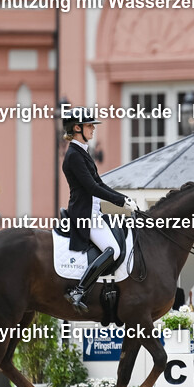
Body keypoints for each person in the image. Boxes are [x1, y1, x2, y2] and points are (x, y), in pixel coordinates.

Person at [60, 107, 138, 313]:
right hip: (84, 215)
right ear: (77, 128)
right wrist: (121, 202)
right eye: (89, 125)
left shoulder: (82, 152)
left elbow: (100, 184)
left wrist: (124, 199)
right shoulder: (74, 155)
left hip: (95, 212)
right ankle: (79, 290)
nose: (93, 129)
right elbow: (92, 187)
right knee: (113, 250)